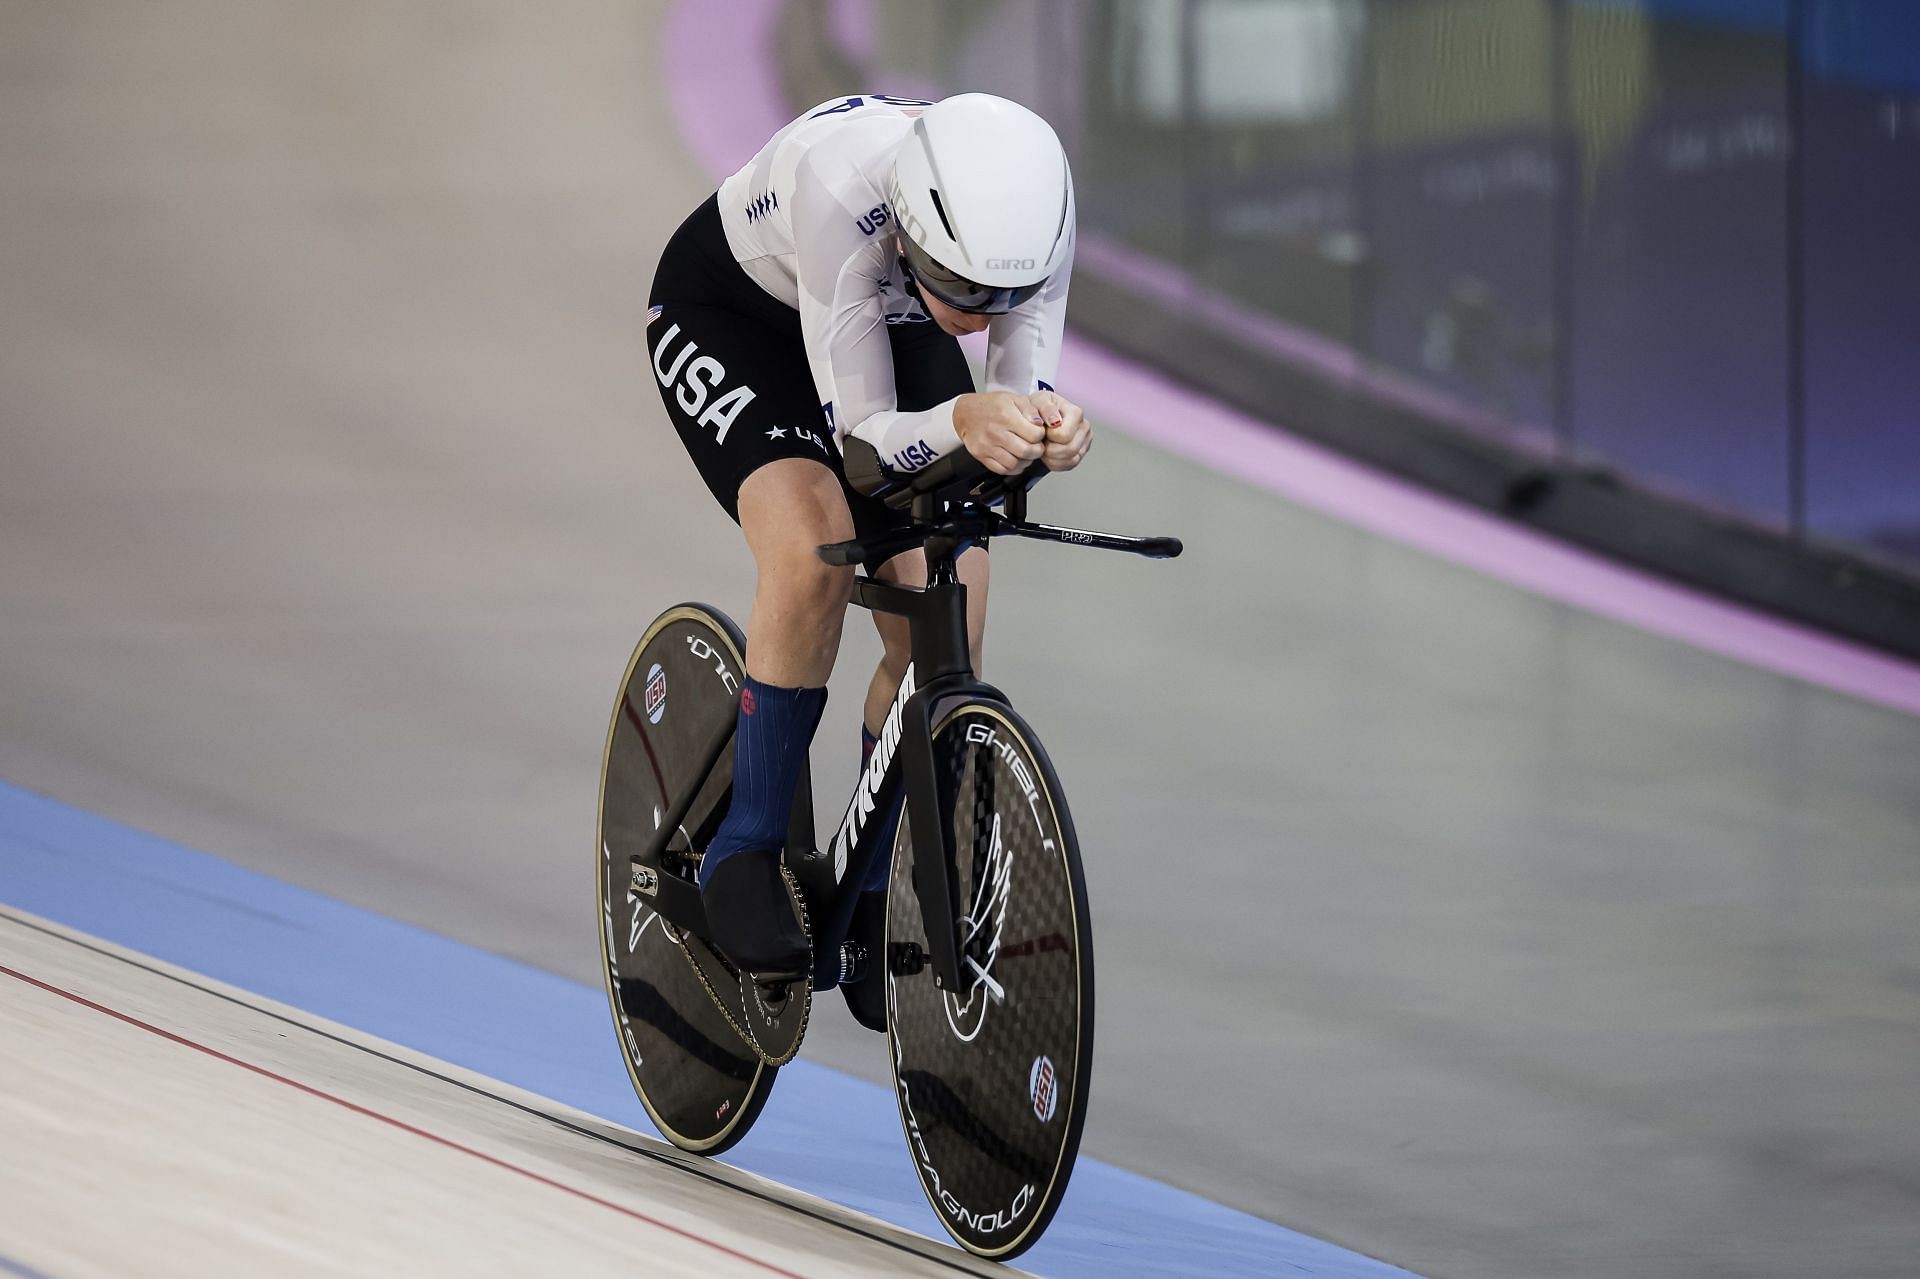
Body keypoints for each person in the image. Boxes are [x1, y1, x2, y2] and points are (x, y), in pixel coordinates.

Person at [644, 92, 1090, 1027]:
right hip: (739, 320)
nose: (983, 318)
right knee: (812, 547)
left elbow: (1011, 386)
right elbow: (867, 449)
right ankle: (744, 846)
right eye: (963, 290)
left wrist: (1041, 430)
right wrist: (965, 422)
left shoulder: (1028, 217)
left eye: (1004, 295)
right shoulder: (841, 185)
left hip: (887, 317)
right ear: (919, 233)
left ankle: (874, 876)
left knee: (953, 586)